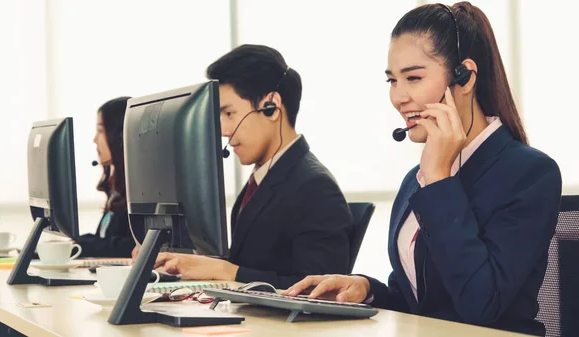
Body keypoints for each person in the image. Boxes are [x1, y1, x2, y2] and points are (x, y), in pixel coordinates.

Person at [285, 3, 561, 336]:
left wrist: (439, 179)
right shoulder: (416, 180)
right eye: (392, 80)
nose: (399, 97)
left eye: (413, 77)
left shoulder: (529, 174)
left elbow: (481, 304)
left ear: (465, 77)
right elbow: (421, 302)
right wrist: (365, 288)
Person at [137, 44, 353, 290]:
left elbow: (319, 289)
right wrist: (195, 263)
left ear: (271, 107)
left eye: (229, 113)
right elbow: (254, 264)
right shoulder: (263, 179)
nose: (223, 130)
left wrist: (228, 271)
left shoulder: (314, 187)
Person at [75, 96, 140, 258]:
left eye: (101, 131)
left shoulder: (141, 189)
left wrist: (81, 245)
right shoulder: (118, 187)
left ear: (120, 136)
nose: (95, 139)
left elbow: (133, 246)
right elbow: (106, 240)